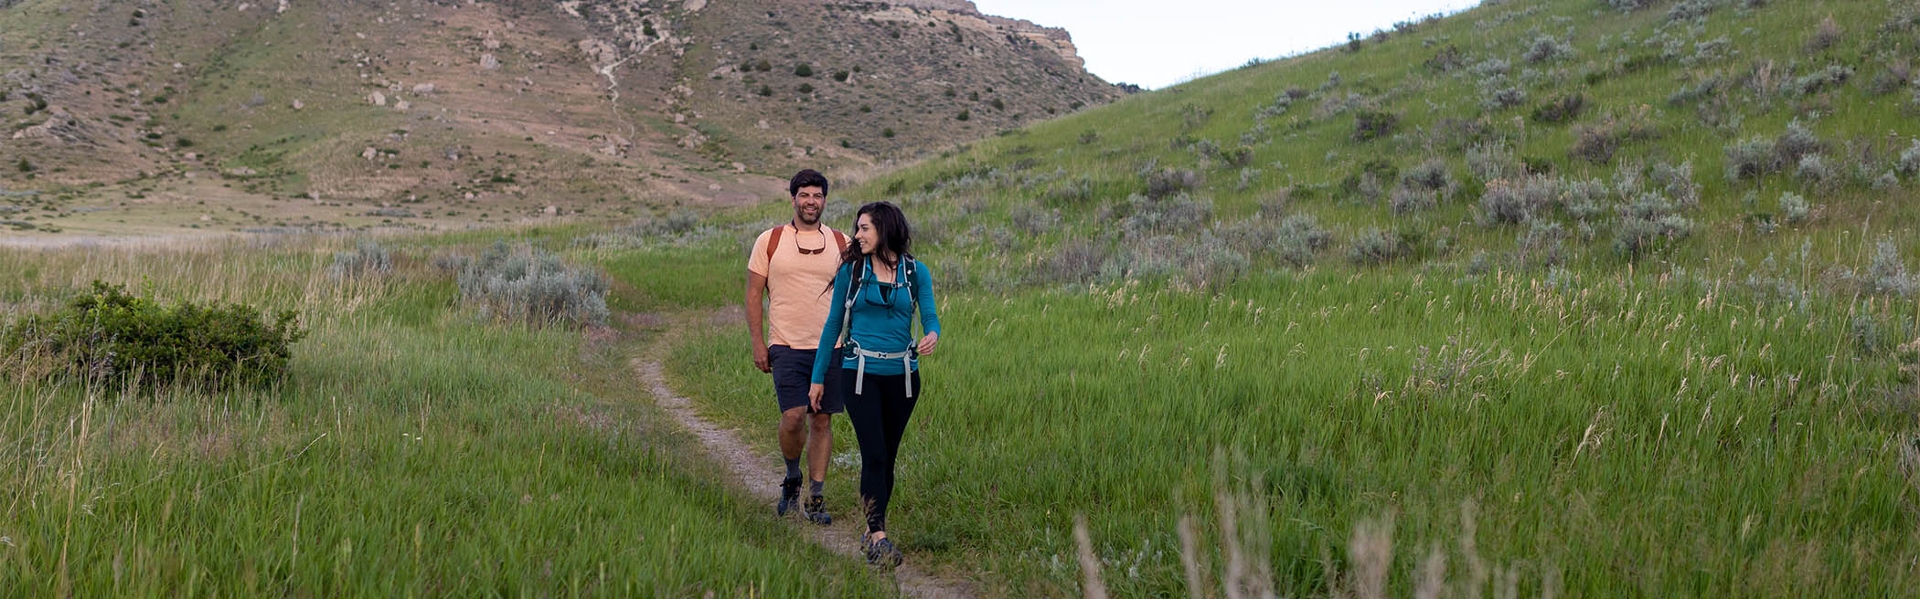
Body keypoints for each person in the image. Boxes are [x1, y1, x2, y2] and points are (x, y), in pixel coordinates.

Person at [808, 201, 941, 569]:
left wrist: (932, 334)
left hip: (904, 377)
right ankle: (878, 535)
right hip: (860, 373)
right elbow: (832, 326)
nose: (857, 235)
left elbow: (930, 315)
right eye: (857, 228)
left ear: (884, 229)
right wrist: (818, 378)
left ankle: (872, 529)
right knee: (875, 453)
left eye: (864, 228)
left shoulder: (916, 272)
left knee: (889, 459)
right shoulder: (852, 271)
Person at [746, 169, 849, 525]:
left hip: (831, 347)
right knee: (793, 417)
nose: (811, 202)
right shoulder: (771, 240)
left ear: (824, 200)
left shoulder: (841, 242)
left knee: (821, 420)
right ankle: (792, 478)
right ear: (793, 199)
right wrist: (759, 343)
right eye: (804, 195)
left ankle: (816, 497)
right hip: (786, 344)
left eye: (817, 196)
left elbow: (860, 288)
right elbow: (753, 294)